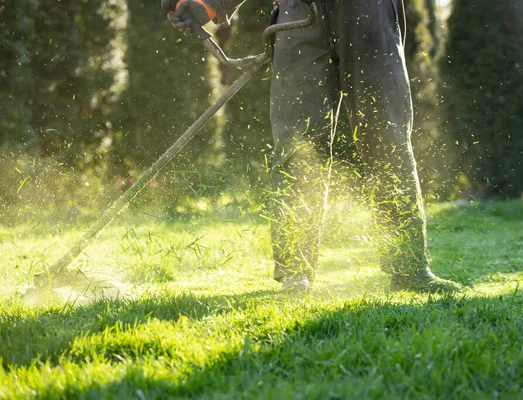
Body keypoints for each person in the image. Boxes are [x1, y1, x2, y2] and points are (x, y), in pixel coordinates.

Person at [161, 0, 460, 293]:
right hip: (300, 14)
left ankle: (409, 267)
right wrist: (211, 4)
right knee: (298, 145)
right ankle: (295, 272)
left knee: (386, 138)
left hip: (370, 13)